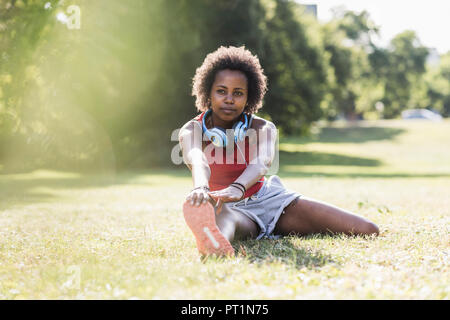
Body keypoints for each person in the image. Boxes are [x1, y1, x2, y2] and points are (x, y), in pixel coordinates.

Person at [179, 46, 379, 257]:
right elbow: (196, 157)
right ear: (208, 93)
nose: (229, 99)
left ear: (249, 98)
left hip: (271, 201)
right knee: (226, 217)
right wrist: (200, 186)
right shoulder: (192, 129)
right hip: (229, 207)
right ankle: (213, 244)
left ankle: (263, 228)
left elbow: (263, 161)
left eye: (238, 93)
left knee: (368, 230)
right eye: (221, 91)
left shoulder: (263, 127)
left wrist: (239, 186)